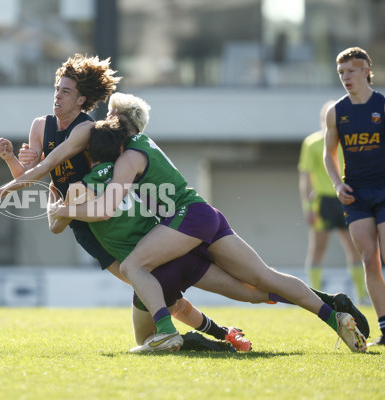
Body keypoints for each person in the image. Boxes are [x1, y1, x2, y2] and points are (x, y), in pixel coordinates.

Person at [51, 92, 368, 353]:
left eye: (111, 116)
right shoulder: (144, 145)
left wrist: (66, 208)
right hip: (205, 216)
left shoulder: (129, 156)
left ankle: (165, 331)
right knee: (260, 281)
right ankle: (332, 314)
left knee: (134, 266)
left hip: (187, 220)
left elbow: (107, 207)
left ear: (120, 123)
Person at [48, 119, 258, 352]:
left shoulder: (79, 188)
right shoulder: (127, 174)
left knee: (146, 337)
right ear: (120, 149)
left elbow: (56, 226)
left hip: (149, 268)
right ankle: (225, 333)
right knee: (242, 292)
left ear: (86, 151)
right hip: (175, 253)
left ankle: (182, 337)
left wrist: (54, 198)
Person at [0, 53, 122, 276]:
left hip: (97, 208)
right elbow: (25, 177)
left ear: (81, 100)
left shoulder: (86, 128)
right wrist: (10, 158)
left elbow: (43, 167)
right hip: (77, 219)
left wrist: (2, 191)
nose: (57, 96)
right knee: (129, 275)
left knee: (136, 273)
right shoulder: (40, 125)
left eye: (66, 92)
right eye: (57, 89)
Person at [323, 46, 385, 347]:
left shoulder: (382, 105)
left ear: (365, 71)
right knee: (370, 261)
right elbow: (328, 155)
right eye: (341, 73)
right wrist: (337, 185)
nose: (345, 78)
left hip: (384, 190)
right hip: (356, 196)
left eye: (351, 71)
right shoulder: (337, 112)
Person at [298, 100, 365, 299]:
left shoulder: (349, 141)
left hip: (346, 199)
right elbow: (305, 177)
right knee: (318, 248)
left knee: (355, 248)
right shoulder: (312, 143)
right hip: (323, 202)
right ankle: (313, 296)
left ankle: (362, 296)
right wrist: (307, 207)